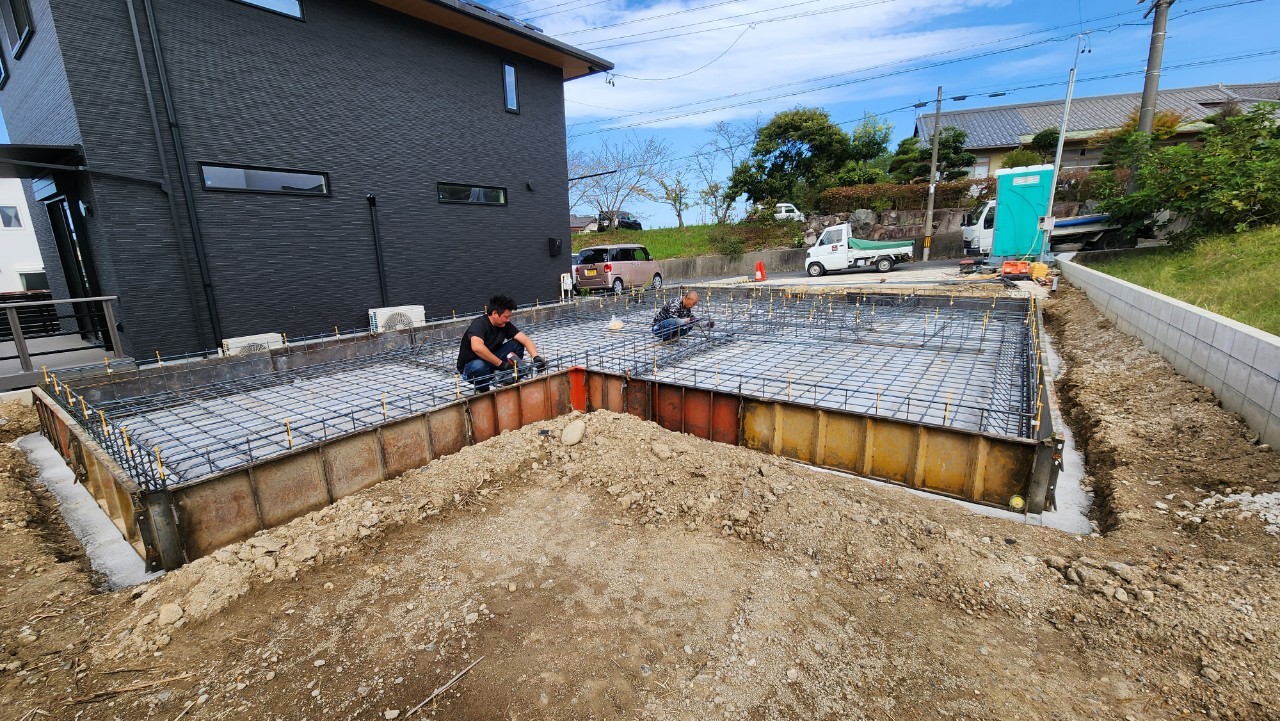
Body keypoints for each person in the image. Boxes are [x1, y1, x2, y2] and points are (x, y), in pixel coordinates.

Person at [456, 295, 546, 392]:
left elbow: (525, 340)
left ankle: (509, 378)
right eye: (506, 317)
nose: (508, 320)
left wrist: (536, 357)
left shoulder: (504, 324)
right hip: (471, 367)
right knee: (479, 366)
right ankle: (483, 390)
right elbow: (477, 348)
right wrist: (501, 364)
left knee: (517, 344)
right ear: (494, 313)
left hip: (491, 361)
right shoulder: (479, 324)